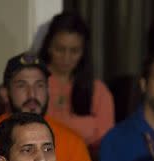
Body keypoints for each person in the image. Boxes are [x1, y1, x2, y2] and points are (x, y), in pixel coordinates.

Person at [0, 52, 96, 161]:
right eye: (22, 85)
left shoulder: (72, 141)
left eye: (39, 85)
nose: (32, 94)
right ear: (5, 93)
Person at [38, 12, 115, 152]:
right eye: (60, 49)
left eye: (74, 51)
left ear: (83, 52)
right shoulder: (33, 84)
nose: (66, 58)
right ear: (49, 47)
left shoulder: (98, 90)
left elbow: (107, 142)